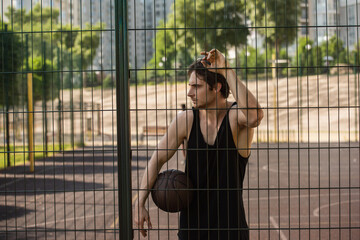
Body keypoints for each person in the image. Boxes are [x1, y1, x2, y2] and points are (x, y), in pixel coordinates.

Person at [134, 49, 263, 239]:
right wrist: (139, 204)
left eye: (197, 86)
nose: (189, 93)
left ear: (217, 87)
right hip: (192, 231)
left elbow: (255, 117)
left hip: (231, 231)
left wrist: (226, 70)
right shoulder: (186, 121)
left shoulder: (235, 118)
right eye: (190, 86)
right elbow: (157, 158)